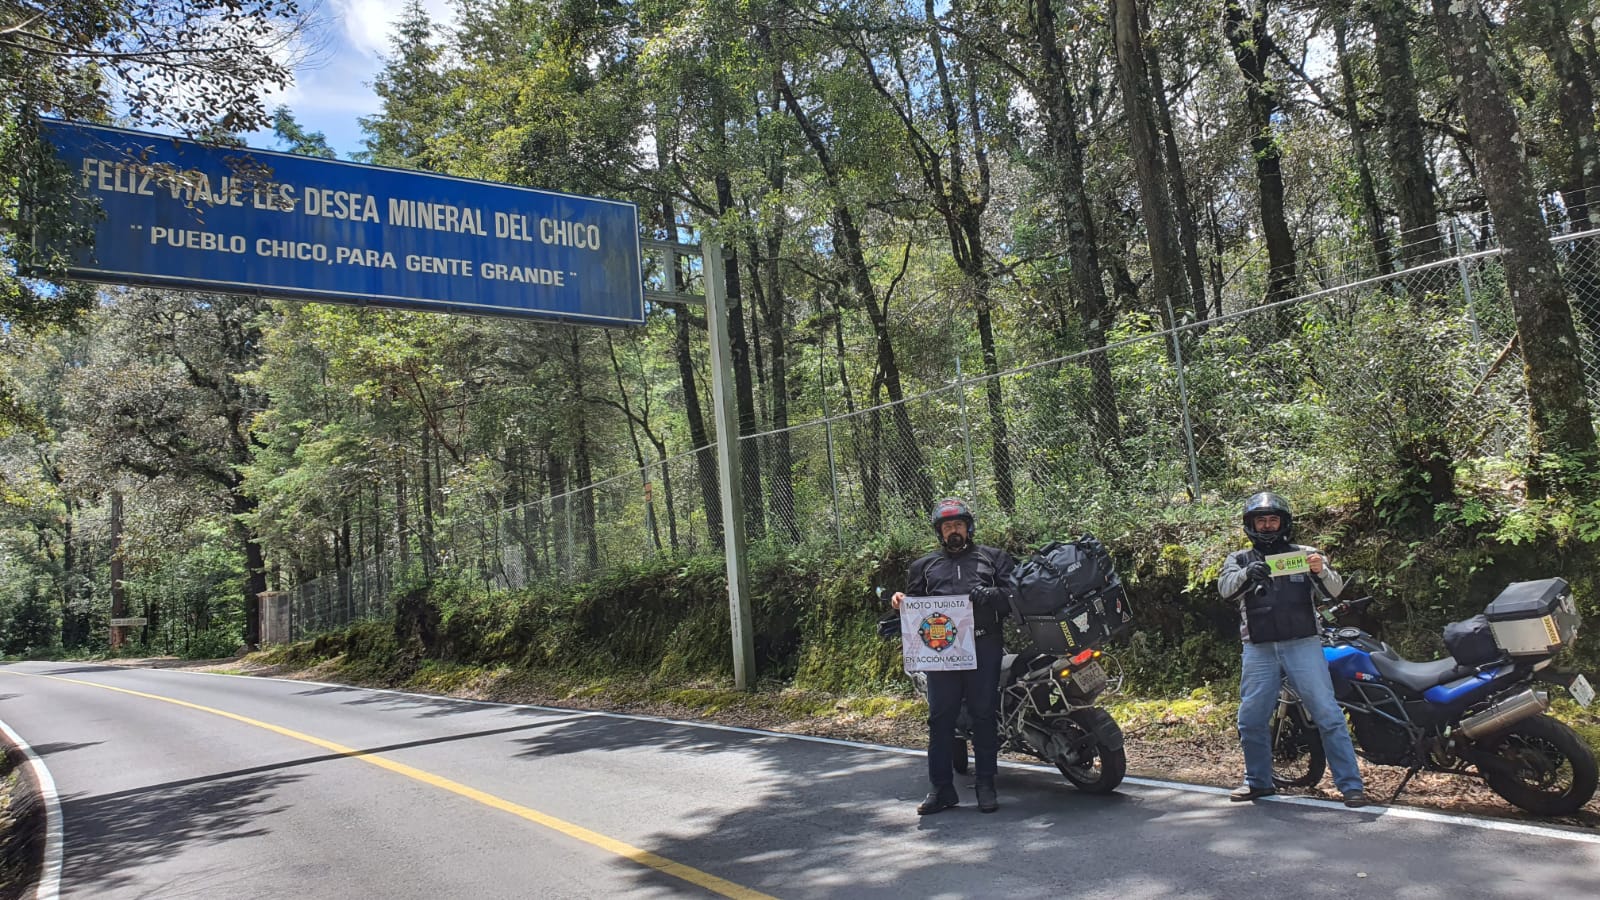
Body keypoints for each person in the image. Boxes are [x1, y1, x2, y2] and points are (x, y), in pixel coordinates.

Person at [1218, 491, 1369, 808]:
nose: (1268, 526)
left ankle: (1351, 786)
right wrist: (1249, 573)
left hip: (1303, 644)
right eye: (1262, 520)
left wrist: (1319, 570)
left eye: (1273, 520)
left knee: (1327, 712)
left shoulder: (1305, 553)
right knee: (1251, 718)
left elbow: (1334, 589)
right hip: (1258, 647)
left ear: (1284, 523)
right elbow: (1226, 590)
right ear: (1251, 524)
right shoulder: (1239, 559)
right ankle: (1258, 781)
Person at [892, 498, 1016, 815]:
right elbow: (914, 607)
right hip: (941, 652)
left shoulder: (994, 558)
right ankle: (941, 789)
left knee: (984, 715)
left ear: (969, 527)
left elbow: (1016, 597)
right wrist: (901, 600)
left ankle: (986, 785)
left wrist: (993, 595)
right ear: (940, 533)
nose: (953, 531)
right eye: (947, 527)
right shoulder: (924, 566)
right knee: (940, 719)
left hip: (983, 645)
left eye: (958, 525)